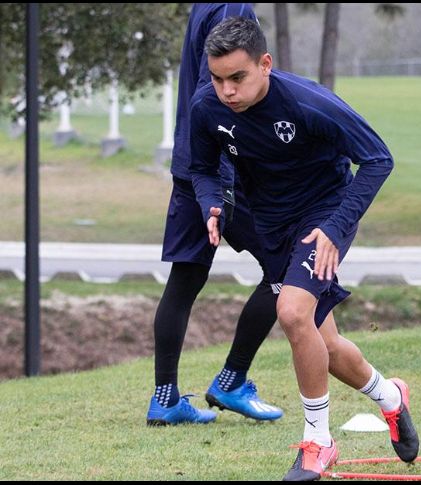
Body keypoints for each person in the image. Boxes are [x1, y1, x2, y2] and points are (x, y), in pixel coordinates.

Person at [189, 17, 419, 481]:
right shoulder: (206, 106)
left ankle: (318, 441)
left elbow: (378, 159)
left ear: (265, 64)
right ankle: (391, 397)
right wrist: (210, 203)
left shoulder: (307, 102)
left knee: (293, 313)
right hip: (271, 227)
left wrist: (336, 226)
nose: (227, 90)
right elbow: (201, 168)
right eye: (217, 78)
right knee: (324, 345)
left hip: (324, 215)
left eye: (238, 77)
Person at [146, 3, 283, 426]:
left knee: (185, 277)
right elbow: (222, 91)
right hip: (220, 168)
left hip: (191, 163)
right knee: (287, 267)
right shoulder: (231, 6)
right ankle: (231, 380)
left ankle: (165, 399)